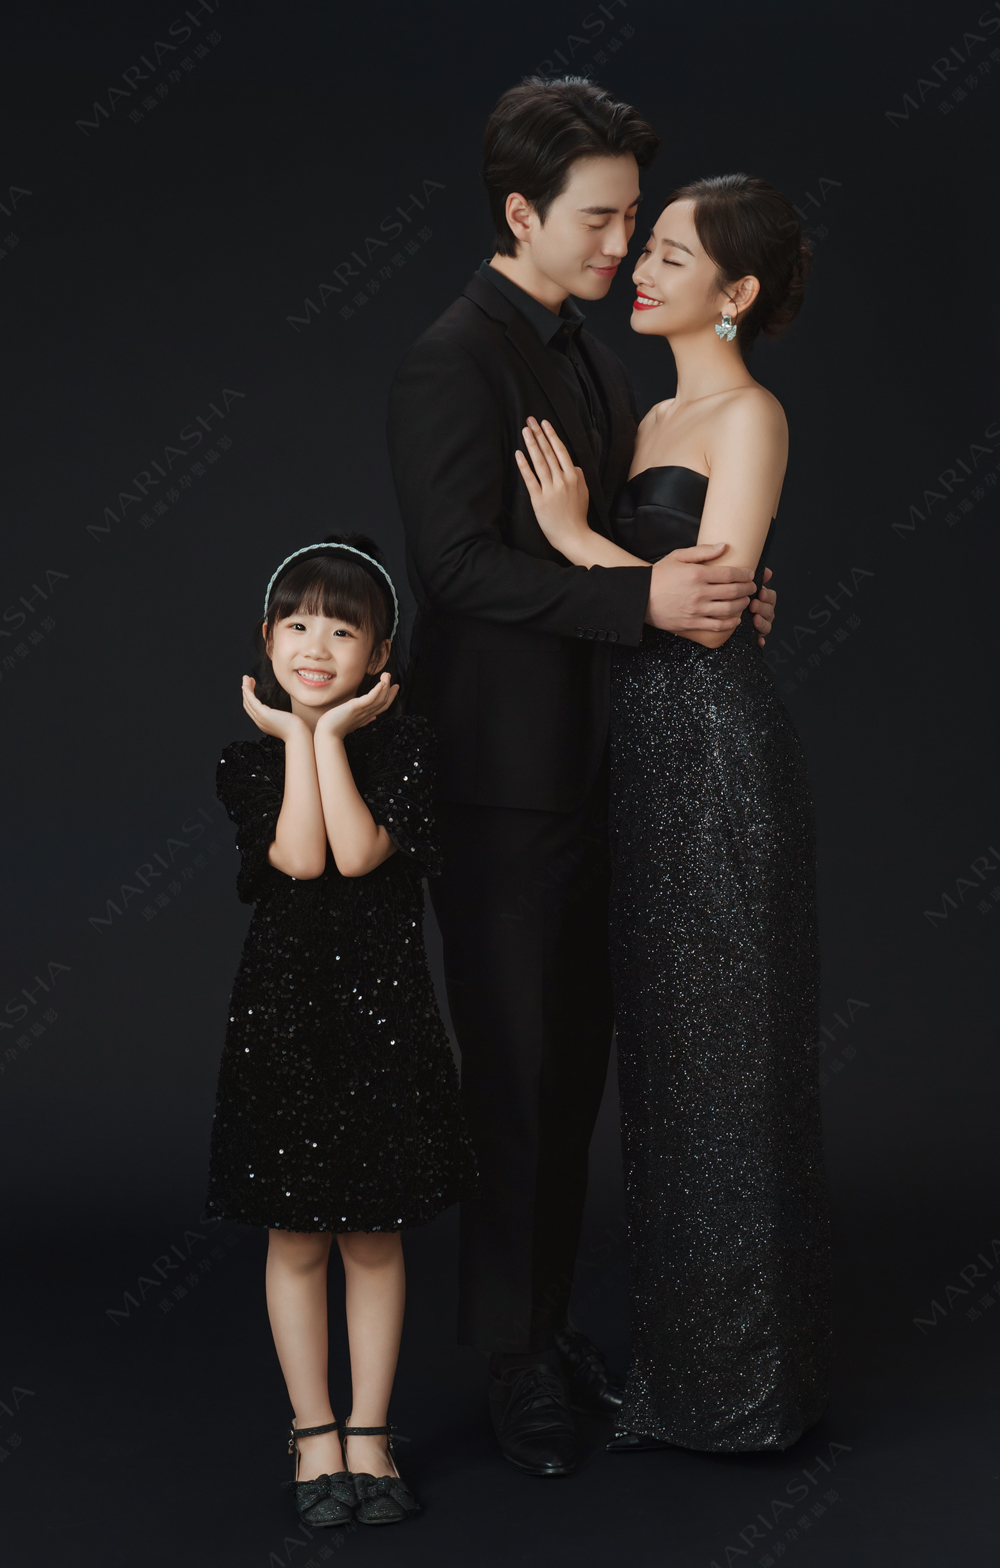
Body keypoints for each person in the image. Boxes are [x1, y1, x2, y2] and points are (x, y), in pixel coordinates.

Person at [386, 77, 778, 1477]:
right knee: (516, 1074)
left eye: (632, 221)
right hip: (504, 779)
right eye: (601, 220)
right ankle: (513, 1364)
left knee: (571, 1073)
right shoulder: (454, 357)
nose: (621, 245)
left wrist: (717, 588)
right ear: (520, 214)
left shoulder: (596, 360)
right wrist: (642, 602)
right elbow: (456, 569)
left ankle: (545, 1330)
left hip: (609, 761)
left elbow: (620, 535)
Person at [515, 175, 831, 1453]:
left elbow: (712, 609)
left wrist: (573, 537)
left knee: (733, 1068)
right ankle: (682, 1377)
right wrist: (621, 562)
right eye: (642, 246)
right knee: (666, 1073)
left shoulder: (750, 413)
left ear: (736, 292)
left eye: (669, 254)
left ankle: (744, 1395)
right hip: (635, 769)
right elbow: (685, 592)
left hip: (715, 763)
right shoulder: (649, 415)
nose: (638, 269)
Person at [206, 534, 476, 1526]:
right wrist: (298, 738)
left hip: (384, 1024)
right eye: (297, 624)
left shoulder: (408, 750)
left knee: (372, 1235)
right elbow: (301, 855)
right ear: (267, 637)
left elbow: (357, 853)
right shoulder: (246, 762)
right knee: (296, 1237)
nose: (315, 646)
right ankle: (313, 1428)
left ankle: (370, 1429)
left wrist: (326, 738)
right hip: (283, 1024)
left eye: (342, 630)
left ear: (380, 655)